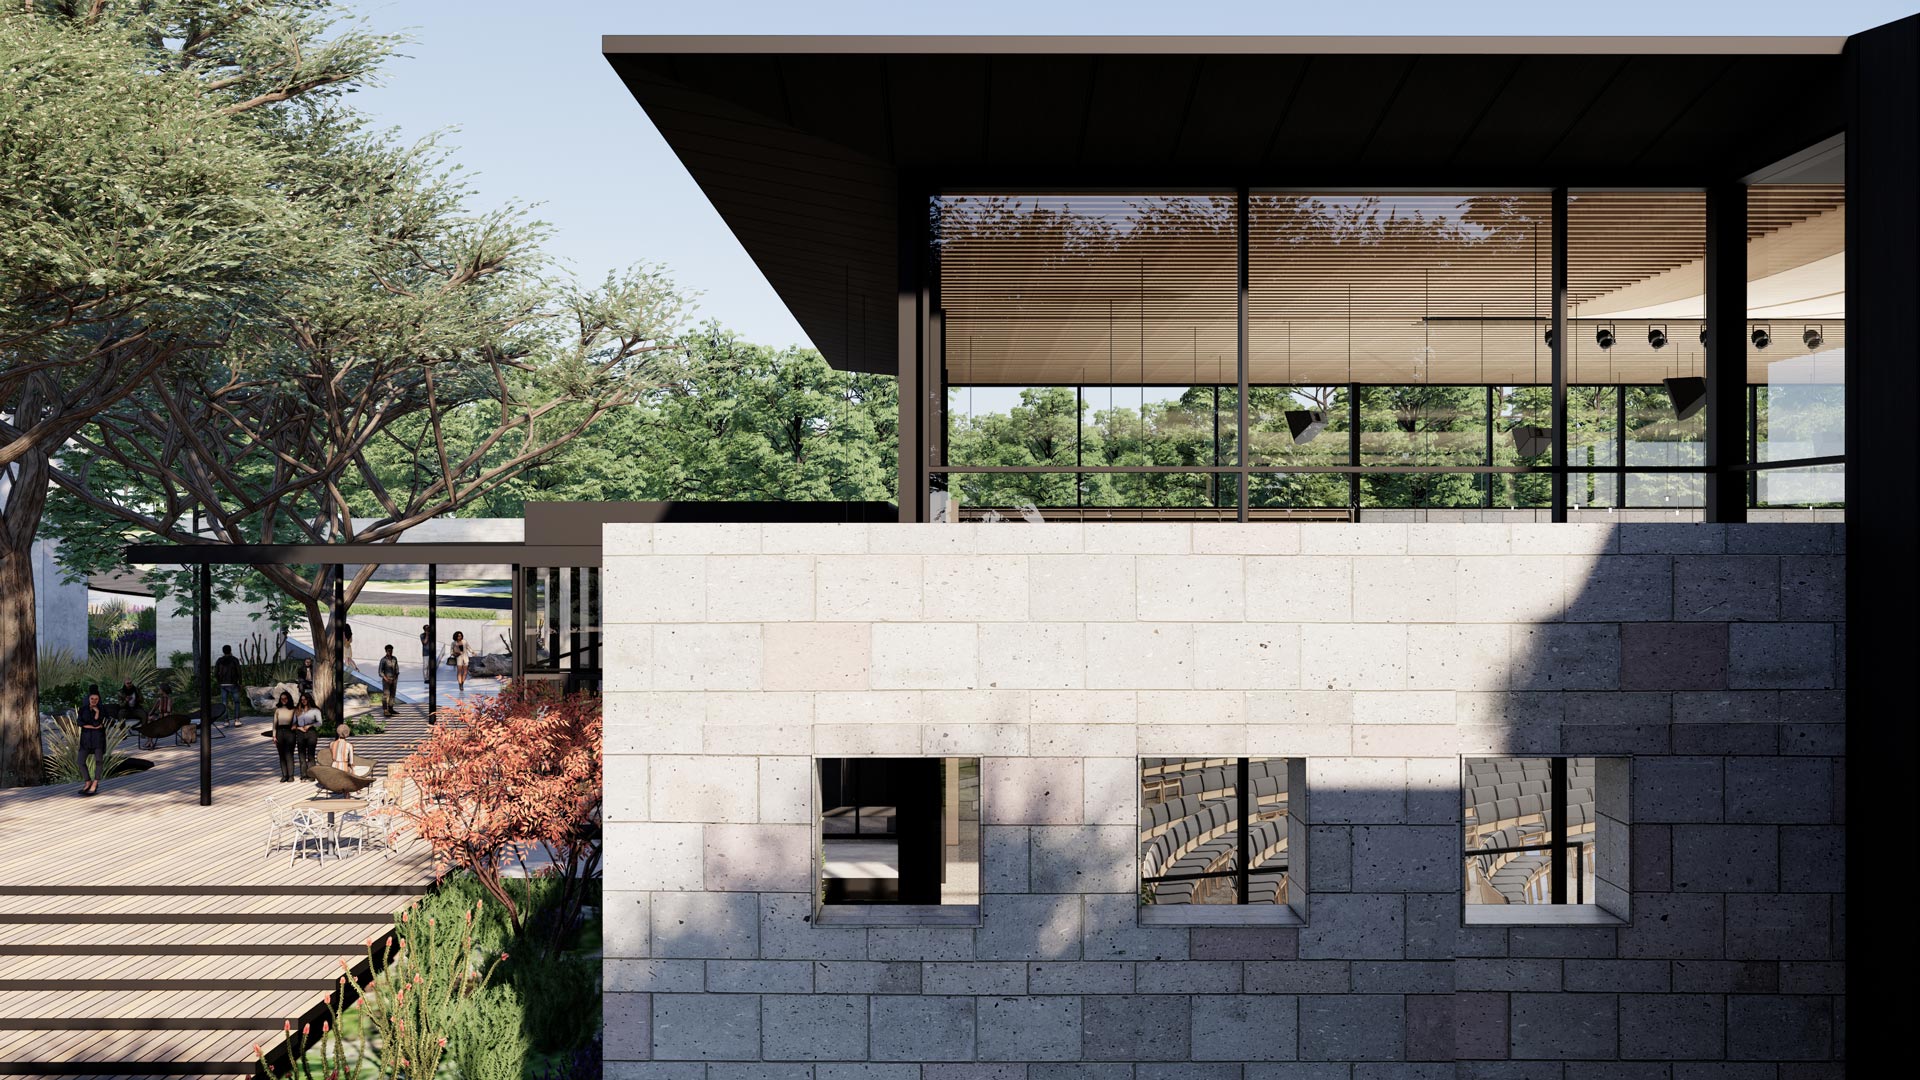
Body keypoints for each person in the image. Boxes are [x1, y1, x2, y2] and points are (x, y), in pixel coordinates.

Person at [76, 685, 108, 797]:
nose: (94, 701)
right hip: (85, 739)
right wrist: (92, 726)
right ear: (88, 699)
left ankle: (95, 783)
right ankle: (88, 781)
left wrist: (97, 713)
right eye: (92, 699)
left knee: (99, 761)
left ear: (99, 700)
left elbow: (96, 724)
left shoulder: (101, 709)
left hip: (98, 739)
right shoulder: (82, 709)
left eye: (96, 699)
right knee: (80, 761)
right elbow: (79, 723)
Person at [271, 690, 299, 782]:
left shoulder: (294, 709)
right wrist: (274, 736)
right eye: (282, 698)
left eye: (285, 698)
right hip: (279, 732)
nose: (283, 700)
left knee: (289, 754)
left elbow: (297, 721)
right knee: (281, 755)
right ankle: (284, 775)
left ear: (288, 699)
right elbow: (274, 724)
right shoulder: (278, 710)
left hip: (290, 732)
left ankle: (291, 775)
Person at [293, 691, 323, 775]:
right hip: (300, 733)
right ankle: (303, 775)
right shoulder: (297, 711)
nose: (303, 701)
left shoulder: (315, 710)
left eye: (305, 699)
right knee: (301, 755)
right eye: (302, 699)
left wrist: (310, 725)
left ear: (309, 699)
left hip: (311, 732)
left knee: (311, 755)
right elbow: (293, 723)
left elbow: (320, 723)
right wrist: (299, 728)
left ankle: (311, 774)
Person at [213, 645, 243, 726]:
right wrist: (240, 682)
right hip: (233, 684)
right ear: (230, 650)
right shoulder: (234, 660)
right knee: (236, 702)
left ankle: (226, 721)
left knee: (224, 703)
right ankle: (237, 720)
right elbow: (239, 672)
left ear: (223, 651)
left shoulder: (219, 660)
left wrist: (219, 682)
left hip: (223, 684)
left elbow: (215, 673)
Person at [378, 644, 400, 717]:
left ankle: (391, 708)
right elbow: (380, 672)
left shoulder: (394, 659)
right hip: (386, 680)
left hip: (394, 680)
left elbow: (397, 669)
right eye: (389, 650)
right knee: (386, 695)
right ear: (386, 651)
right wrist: (386, 679)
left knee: (392, 695)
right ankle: (385, 710)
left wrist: (395, 677)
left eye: (391, 650)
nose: (390, 652)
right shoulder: (383, 660)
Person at [449, 630, 469, 694]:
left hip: (465, 657)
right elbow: (451, 651)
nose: (460, 637)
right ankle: (460, 684)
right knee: (459, 672)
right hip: (459, 658)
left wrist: (473, 652)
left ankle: (462, 682)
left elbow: (468, 647)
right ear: (456, 637)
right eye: (458, 636)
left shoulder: (464, 641)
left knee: (465, 672)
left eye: (460, 635)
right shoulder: (453, 643)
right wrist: (454, 653)